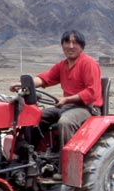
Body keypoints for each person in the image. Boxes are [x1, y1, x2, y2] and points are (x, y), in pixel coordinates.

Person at [10, 30, 103, 179]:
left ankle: (67, 169)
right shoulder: (62, 65)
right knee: (36, 118)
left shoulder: (89, 63)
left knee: (65, 122)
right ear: (62, 45)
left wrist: (68, 99)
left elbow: (92, 93)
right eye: (67, 42)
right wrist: (23, 84)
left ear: (81, 46)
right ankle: (25, 158)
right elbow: (45, 79)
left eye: (75, 43)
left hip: (86, 108)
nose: (71, 46)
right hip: (67, 107)